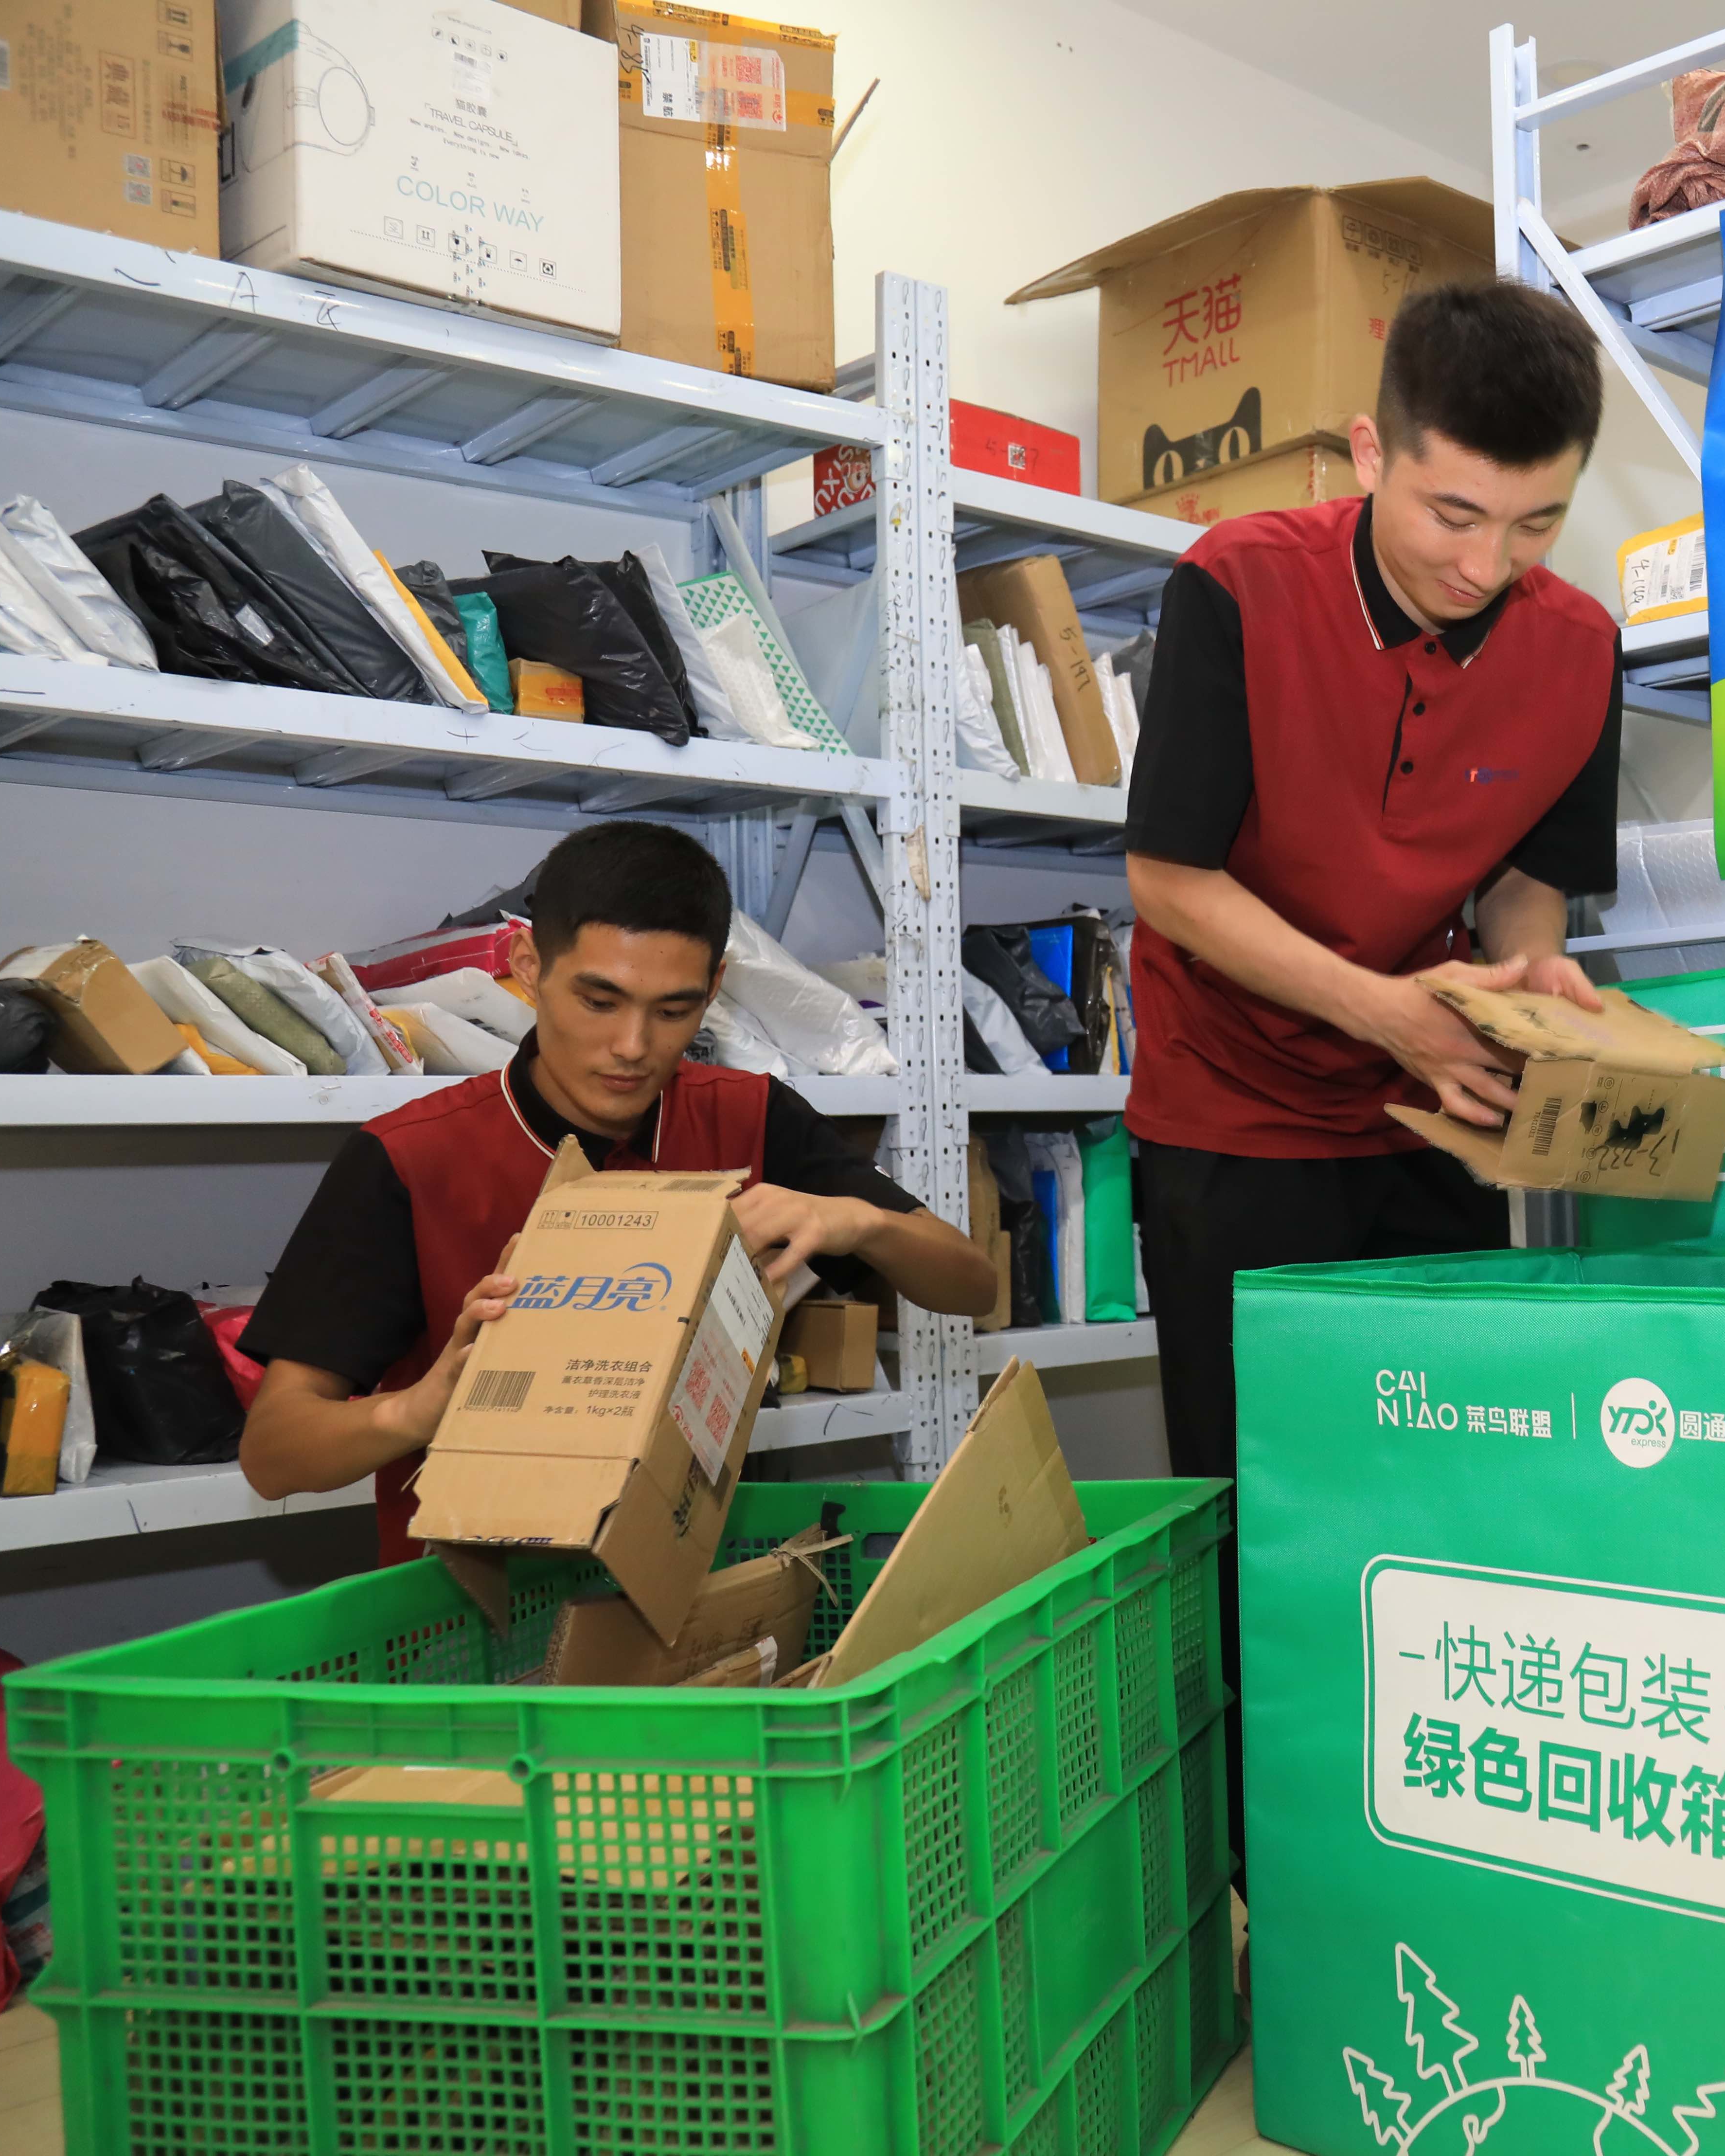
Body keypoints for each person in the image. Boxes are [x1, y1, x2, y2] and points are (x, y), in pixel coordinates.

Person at [1122, 279, 1622, 1487]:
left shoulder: (1581, 649)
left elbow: (1522, 879)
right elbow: (1170, 881)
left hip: (1431, 1109)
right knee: (1261, 1502)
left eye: (1537, 524)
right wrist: (1382, 1009)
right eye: (1453, 513)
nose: (1487, 562)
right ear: (1367, 452)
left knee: (1431, 1483)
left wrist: (1525, 968)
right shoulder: (1237, 584)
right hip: (1231, 1109)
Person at [236, 822, 998, 1554]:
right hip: (468, 1611)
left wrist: (858, 1222)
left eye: (674, 1011)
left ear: (714, 989)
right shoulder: (409, 1159)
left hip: (687, 1578)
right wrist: (420, 1407)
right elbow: (274, 1456)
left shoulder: (750, 1115)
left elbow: (970, 1285)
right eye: (599, 1002)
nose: (633, 1048)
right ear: (530, 967)